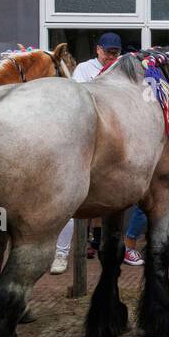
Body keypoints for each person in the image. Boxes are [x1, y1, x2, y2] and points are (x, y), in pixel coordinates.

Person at [51, 33, 123, 273]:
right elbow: (79, 96)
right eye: (108, 52)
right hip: (84, 132)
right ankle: (62, 253)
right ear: (98, 50)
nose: (111, 56)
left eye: (115, 52)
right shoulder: (84, 68)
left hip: (112, 134)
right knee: (67, 197)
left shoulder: (121, 68)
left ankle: (99, 241)